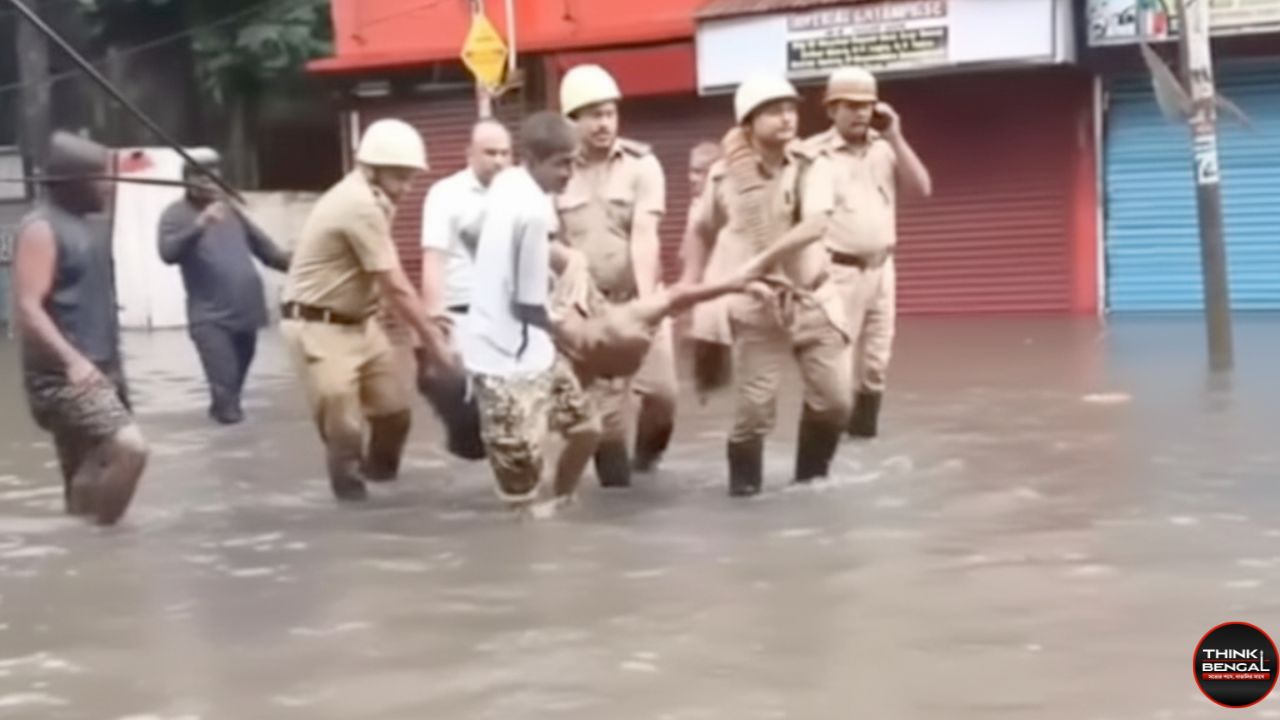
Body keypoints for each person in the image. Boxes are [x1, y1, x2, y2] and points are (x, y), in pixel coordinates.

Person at [684, 76, 853, 497]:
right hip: (757, 306)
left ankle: (810, 485)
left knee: (835, 403)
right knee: (754, 413)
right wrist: (699, 289)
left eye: (791, 109)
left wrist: (759, 262)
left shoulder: (814, 166)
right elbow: (702, 229)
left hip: (812, 298)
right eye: (774, 111)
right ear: (748, 123)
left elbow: (815, 224)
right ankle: (744, 497)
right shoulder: (723, 178)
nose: (786, 118)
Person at [280, 119, 452, 502]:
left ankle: (382, 494)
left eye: (410, 178)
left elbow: (385, 286)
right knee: (344, 433)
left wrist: (415, 335)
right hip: (317, 324)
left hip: (360, 322)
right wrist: (437, 346)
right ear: (371, 169)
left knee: (394, 415)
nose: (407, 188)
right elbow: (396, 285)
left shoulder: (376, 200)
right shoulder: (358, 204)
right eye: (400, 177)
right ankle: (353, 512)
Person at [460, 111, 599, 511]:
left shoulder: (507, 184)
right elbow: (526, 305)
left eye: (574, 161)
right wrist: (575, 334)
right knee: (519, 495)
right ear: (532, 160)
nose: (570, 173)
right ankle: (529, 534)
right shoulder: (532, 212)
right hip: (502, 365)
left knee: (586, 427)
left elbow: (469, 232)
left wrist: (490, 270)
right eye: (561, 164)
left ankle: (560, 502)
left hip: (529, 348)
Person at [12, 131, 149, 526]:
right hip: (62, 377)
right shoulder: (41, 228)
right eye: (99, 178)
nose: (108, 186)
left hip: (102, 366)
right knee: (130, 448)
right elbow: (28, 307)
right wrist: (73, 362)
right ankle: (105, 540)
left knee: (87, 469)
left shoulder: (87, 222)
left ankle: (83, 554)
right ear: (73, 184)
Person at [555, 64, 677, 484]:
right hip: (589, 311)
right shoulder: (556, 173)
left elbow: (645, 237)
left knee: (662, 397)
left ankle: (647, 468)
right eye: (593, 115)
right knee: (606, 422)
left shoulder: (644, 166)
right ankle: (618, 496)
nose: (604, 124)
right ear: (571, 121)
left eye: (609, 113)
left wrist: (646, 309)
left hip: (640, 298)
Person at [803, 66, 932, 438]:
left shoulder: (885, 149)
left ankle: (862, 441)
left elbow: (922, 188)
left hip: (882, 271)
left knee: (875, 365)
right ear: (831, 110)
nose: (860, 113)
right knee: (834, 367)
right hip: (836, 272)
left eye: (867, 105)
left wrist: (896, 135)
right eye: (850, 105)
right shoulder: (814, 155)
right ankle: (822, 450)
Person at [158, 149, 291, 425]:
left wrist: (309, 264)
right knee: (226, 395)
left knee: (233, 391)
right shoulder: (175, 215)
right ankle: (230, 443)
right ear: (187, 181)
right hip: (211, 319)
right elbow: (168, 253)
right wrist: (201, 223)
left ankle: (227, 431)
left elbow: (269, 252)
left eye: (214, 179)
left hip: (246, 314)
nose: (209, 185)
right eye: (202, 178)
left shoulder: (231, 210)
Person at [420, 119, 513, 322]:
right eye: (490, 153)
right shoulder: (445, 193)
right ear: (470, 154)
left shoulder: (521, 193)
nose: (499, 161)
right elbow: (434, 259)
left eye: (505, 153)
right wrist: (434, 317)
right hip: (464, 308)